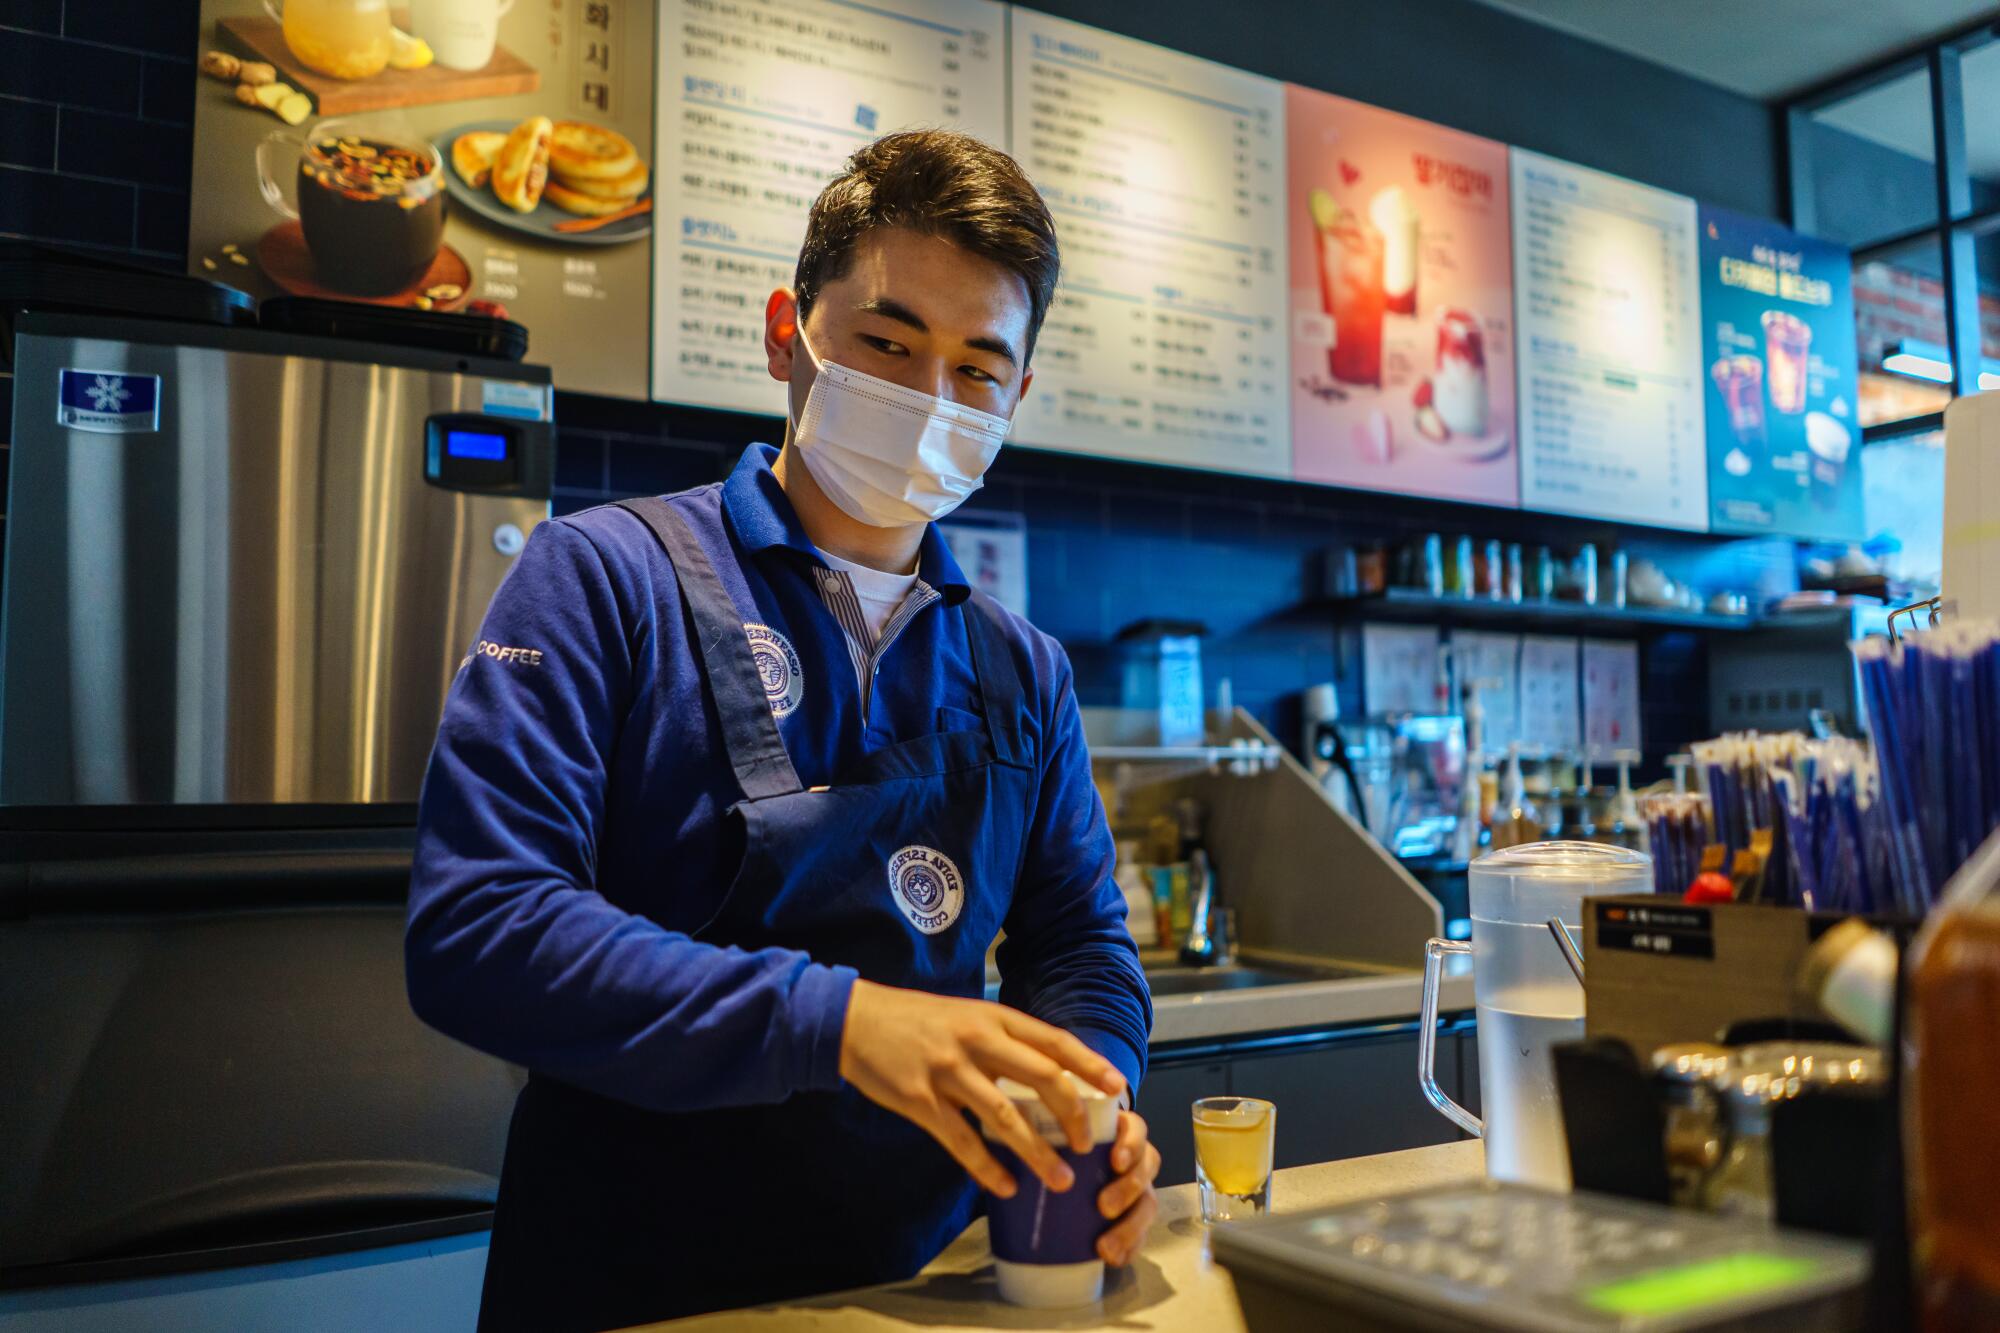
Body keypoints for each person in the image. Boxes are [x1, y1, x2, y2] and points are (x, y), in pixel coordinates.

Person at [405, 129, 1157, 1332]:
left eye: (976, 369)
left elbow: (1078, 949)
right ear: (783, 336)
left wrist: (1089, 1099)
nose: (928, 398)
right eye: (886, 342)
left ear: (1017, 395)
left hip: (931, 1290)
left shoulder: (1023, 671)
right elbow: (478, 927)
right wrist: (843, 1022)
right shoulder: (604, 577)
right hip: (630, 1288)